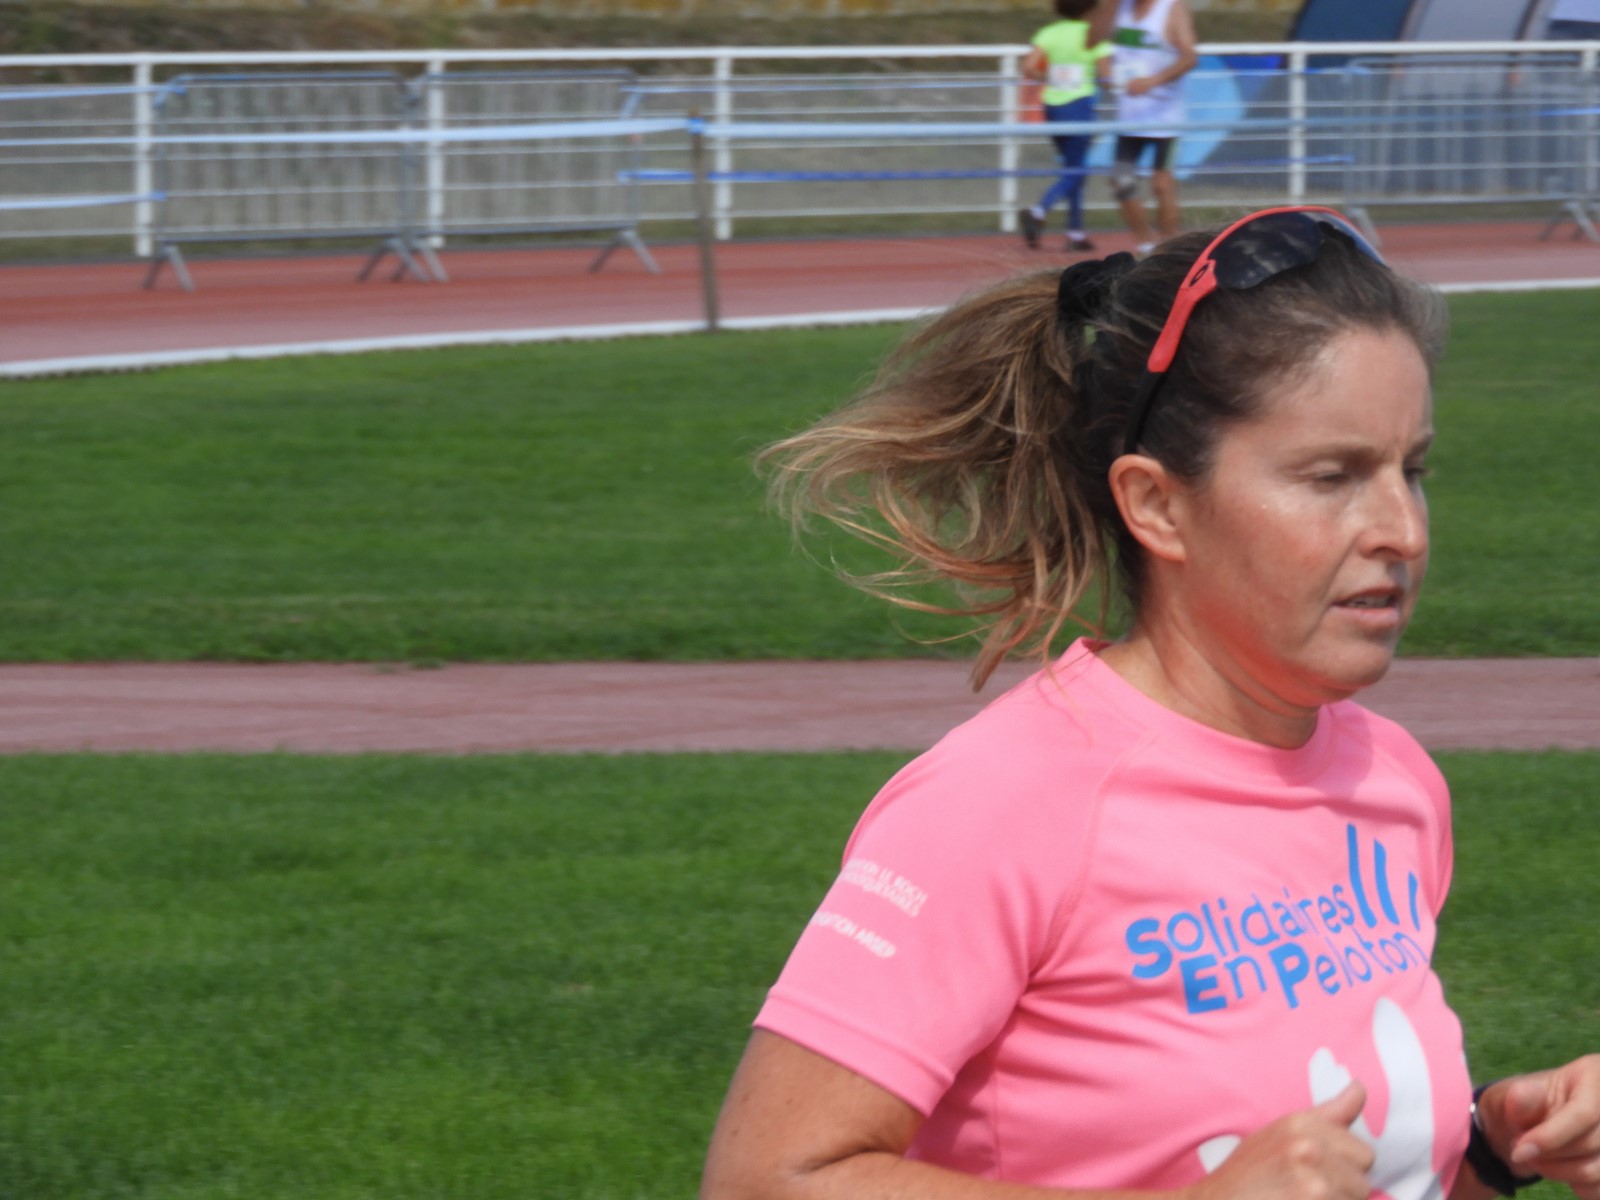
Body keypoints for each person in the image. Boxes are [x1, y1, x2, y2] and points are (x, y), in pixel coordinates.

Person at [700, 207, 1600, 1200]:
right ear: (1157, 505)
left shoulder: (1393, 781)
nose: (1403, 531)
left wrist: (1490, 1146)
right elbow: (762, 1180)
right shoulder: (1001, 804)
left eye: (1411, 470)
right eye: (1332, 476)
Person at [1019, 0, 1114, 254]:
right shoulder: (1092, 35)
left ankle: (1075, 232)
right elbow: (1107, 77)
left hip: (1053, 106)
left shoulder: (1050, 33)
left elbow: (1029, 67)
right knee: (1077, 170)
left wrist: (1053, 76)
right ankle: (1040, 210)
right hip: (1079, 106)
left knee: (1073, 167)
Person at [1107, 0, 1198, 254]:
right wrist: (1107, 70)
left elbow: (1189, 57)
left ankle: (1170, 249)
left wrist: (1153, 81)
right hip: (1129, 119)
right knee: (1121, 180)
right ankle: (1145, 244)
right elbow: (1097, 44)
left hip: (1164, 119)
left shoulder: (1170, 8)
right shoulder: (1120, 8)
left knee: (1162, 184)